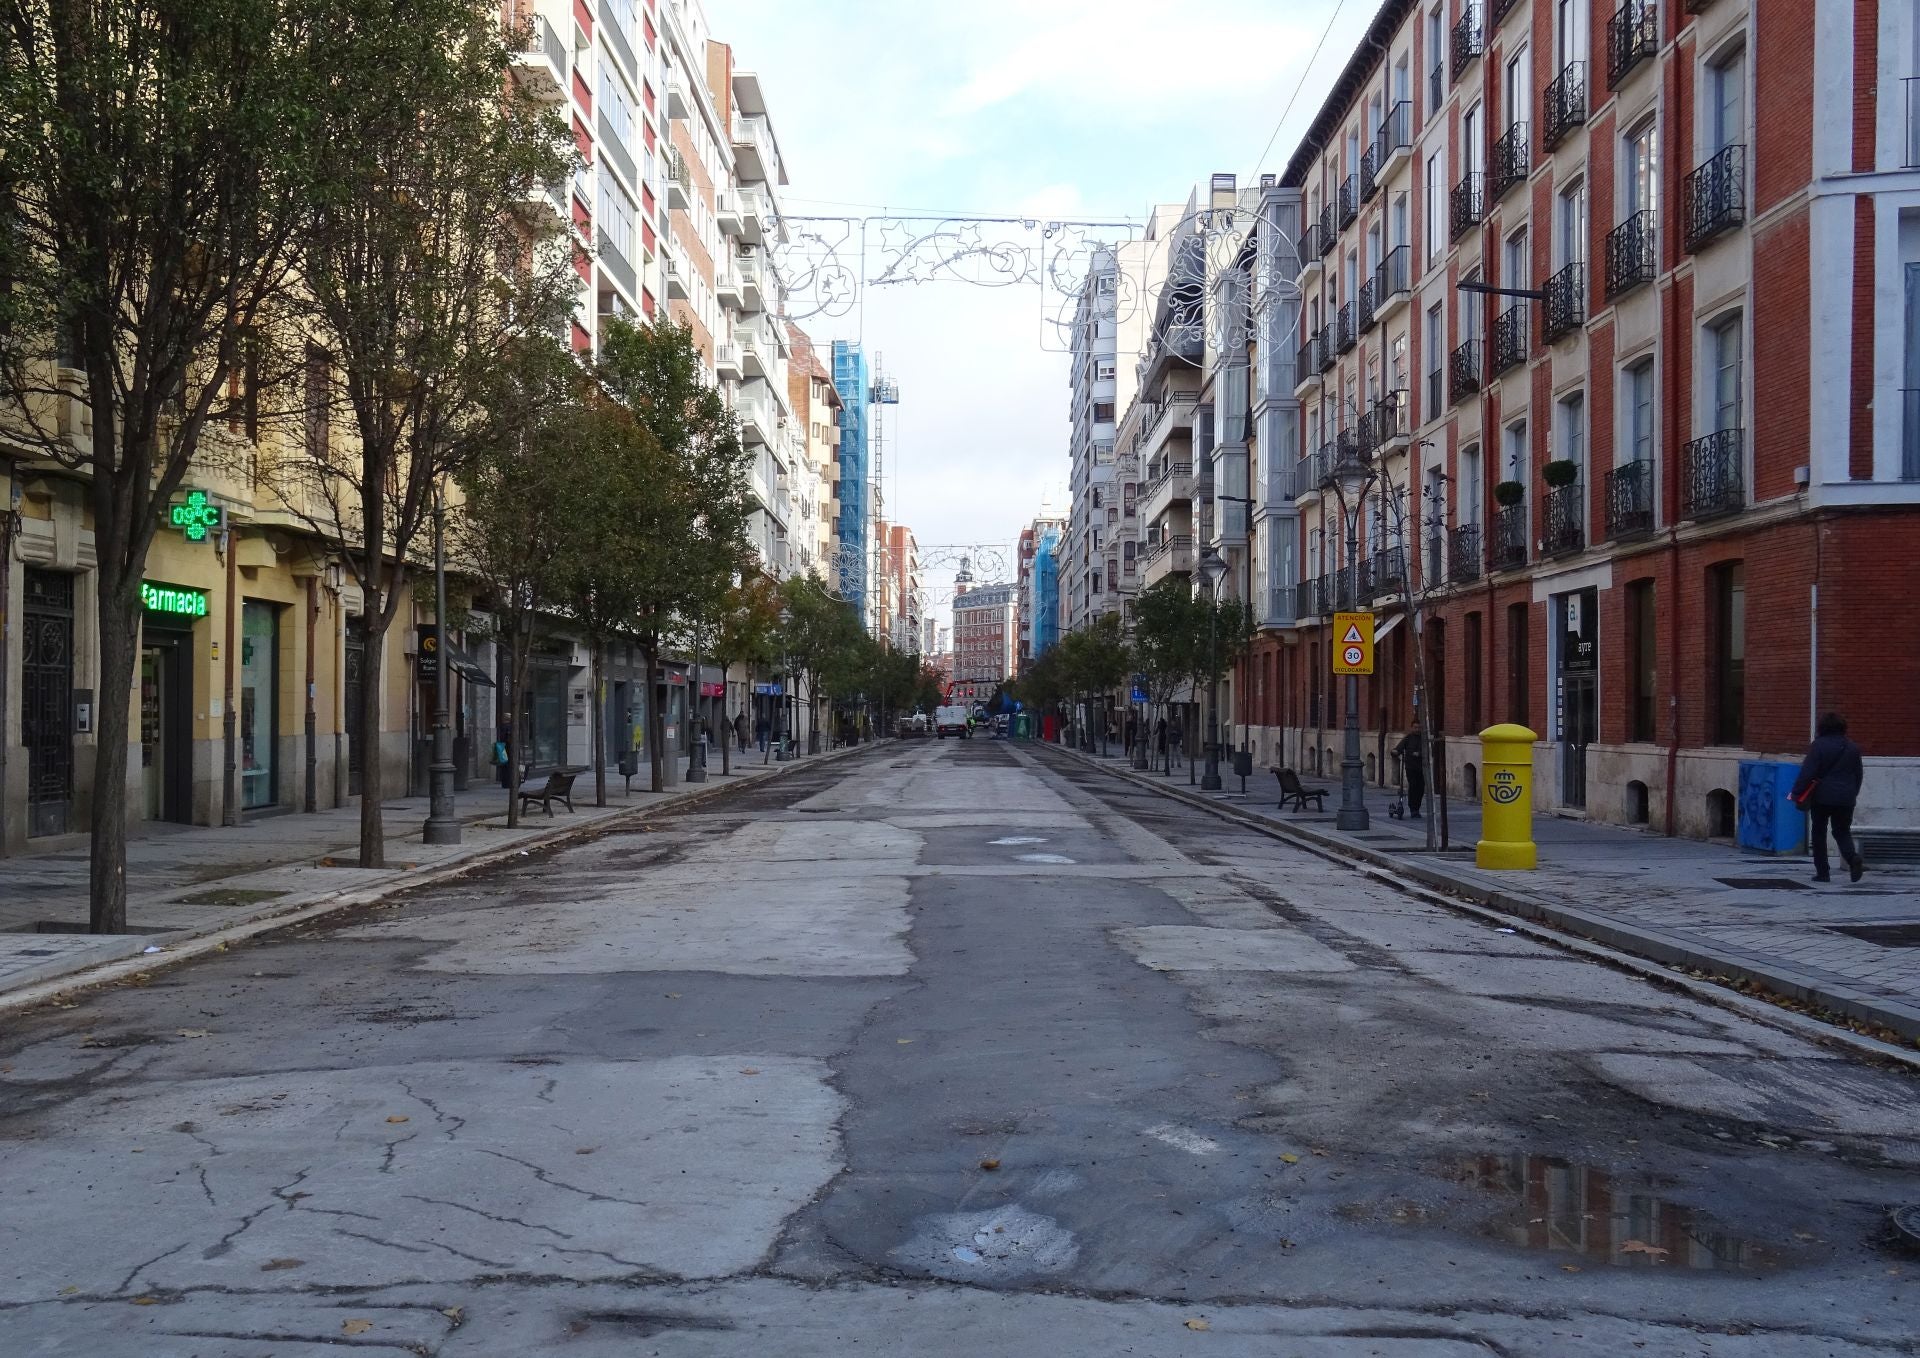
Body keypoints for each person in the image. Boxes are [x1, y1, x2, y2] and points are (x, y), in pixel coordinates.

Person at [1794, 712, 1866, 883]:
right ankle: (1852, 858)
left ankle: (1823, 872)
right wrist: (1853, 793)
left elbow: (1808, 772)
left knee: (1818, 832)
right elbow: (1858, 774)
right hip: (1846, 797)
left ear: (1822, 727)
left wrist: (1797, 792)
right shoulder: (1852, 747)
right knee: (1842, 830)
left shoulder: (1818, 746)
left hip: (1822, 797)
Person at [1393, 729, 1426, 817]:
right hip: (1410, 767)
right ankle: (1413, 809)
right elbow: (1400, 748)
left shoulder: (1424, 739)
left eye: (1418, 727)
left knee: (1421, 788)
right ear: (1412, 727)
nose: (1417, 729)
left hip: (1422, 767)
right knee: (1413, 785)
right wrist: (1395, 751)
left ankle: (1417, 808)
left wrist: (1420, 754)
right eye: (1415, 727)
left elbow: (1430, 751)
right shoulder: (1408, 738)